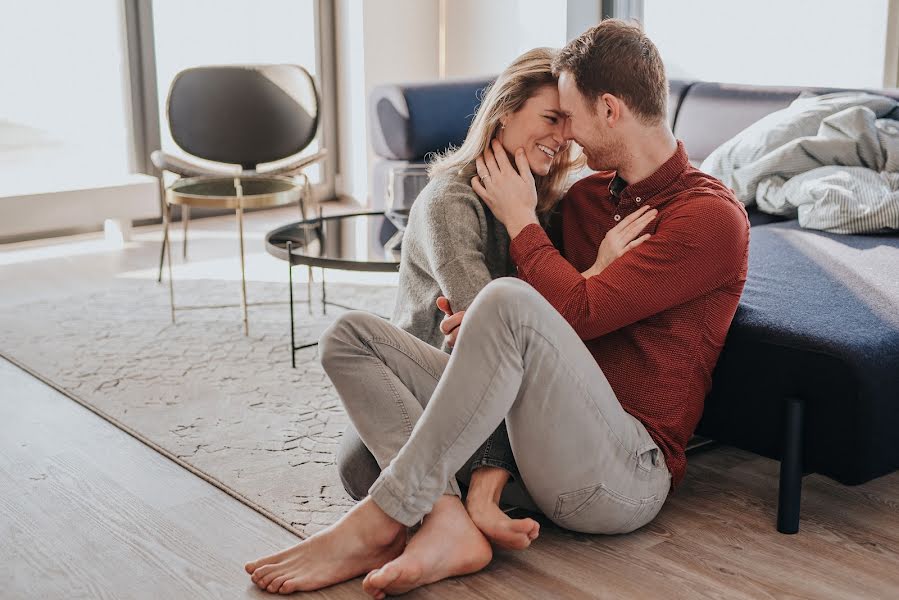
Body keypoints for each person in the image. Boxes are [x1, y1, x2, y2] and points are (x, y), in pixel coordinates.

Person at [245, 19, 750, 598]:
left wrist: (520, 233)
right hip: (538, 447)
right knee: (350, 346)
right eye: (553, 117)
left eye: (572, 116)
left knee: (503, 300)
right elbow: (550, 325)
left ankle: (379, 522)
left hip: (622, 473)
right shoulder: (584, 200)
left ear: (609, 109)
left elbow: (572, 311)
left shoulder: (708, 217)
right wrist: (510, 317)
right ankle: (448, 521)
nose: (570, 140)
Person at [336, 47, 582, 524]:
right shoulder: (449, 200)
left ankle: (456, 502)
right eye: (551, 118)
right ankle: (463, 505)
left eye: (569, 126)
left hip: (500, 398)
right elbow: (490, 333)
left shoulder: (545, 207)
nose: (562, 138)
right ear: (506, 111)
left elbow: (547, 336)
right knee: (360, 465)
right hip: (426, 385)